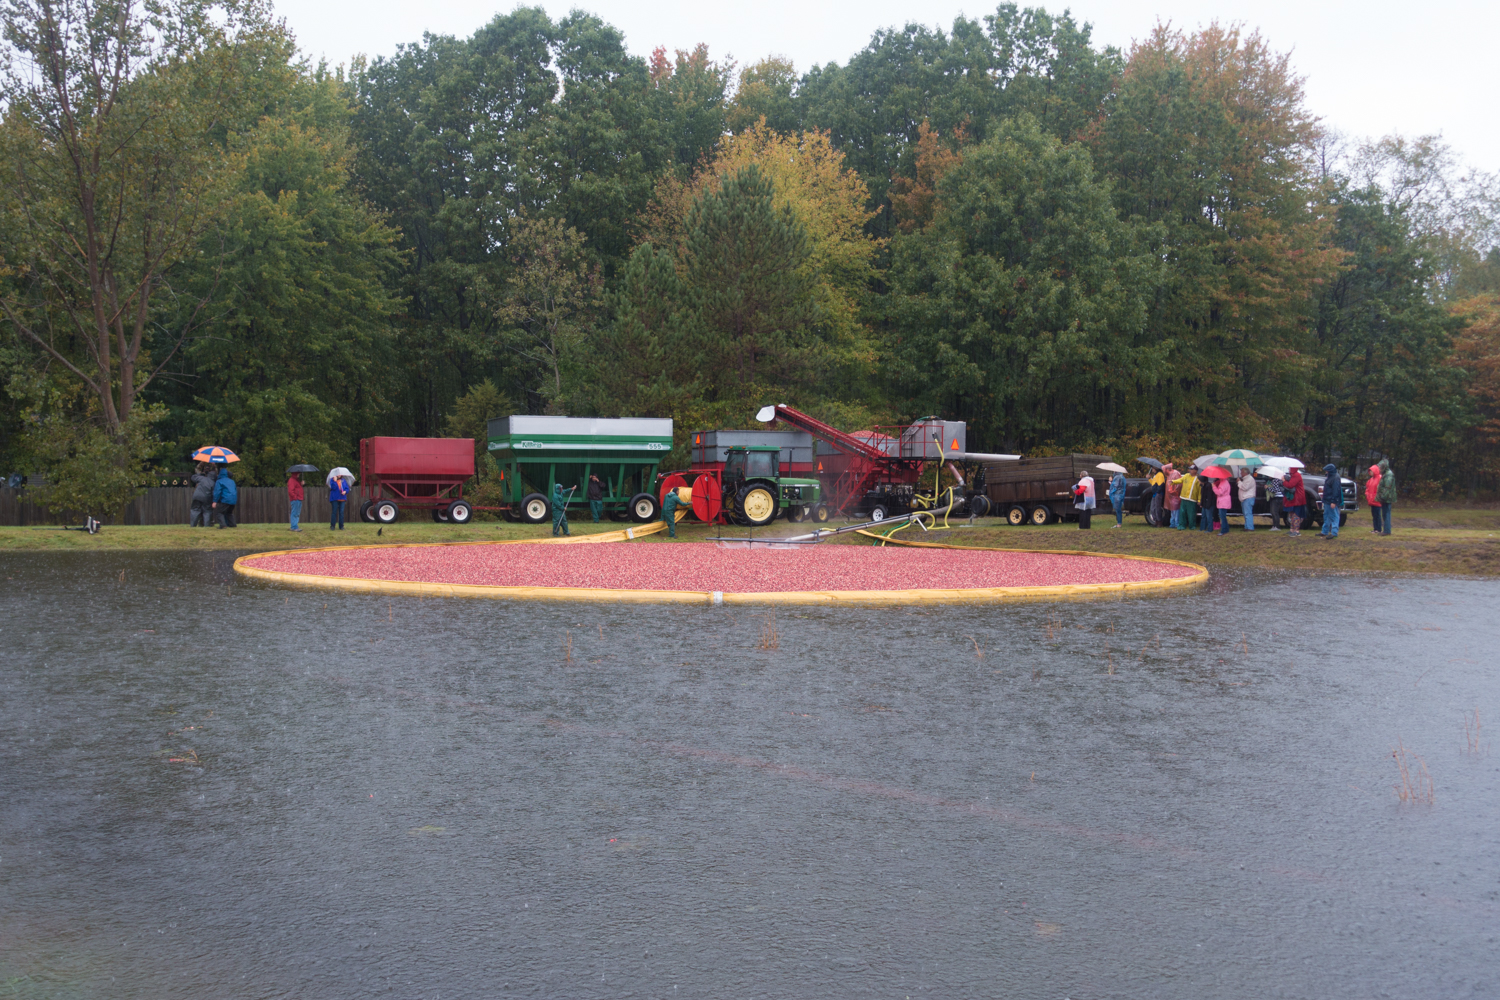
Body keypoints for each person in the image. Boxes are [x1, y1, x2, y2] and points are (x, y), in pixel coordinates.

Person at [1319, 464, 1343, 539]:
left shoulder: (1335, 478)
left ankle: (1334, 532)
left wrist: (1334, 501)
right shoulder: (1331, 477)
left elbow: (1336, 491)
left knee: (1334, 516)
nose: (1326, 472)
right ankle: (1325, 531)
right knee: (1326, 515)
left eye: (1327, 470)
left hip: (1331, 500)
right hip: (1327, 500)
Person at [189, 462, 216, 527]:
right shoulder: (213, 482)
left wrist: (202, 464)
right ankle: (207, 525)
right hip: (206, 497)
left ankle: (193, 525)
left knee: (195, 510)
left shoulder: (201, 477)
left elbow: (193, 477)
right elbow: (213, 492)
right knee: (207, 511)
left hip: (197, 495)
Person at [1175, 466, 1199, 531]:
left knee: (1191, 514)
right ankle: (1181, 525)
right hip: (1184, 498)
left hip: (1192, 499)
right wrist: (1173, 482)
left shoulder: (1197, 479)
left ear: (1195, 471)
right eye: (1190, 469)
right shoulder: (1186, 475)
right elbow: (1180, 480)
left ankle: (1192, 526)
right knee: (1182, 512)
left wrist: (1199, 499)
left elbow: (1199, 491)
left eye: (1191, 469)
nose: (1190, 470)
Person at [1284, 466, 1306, 537]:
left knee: (1295, 514)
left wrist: (1284, 481)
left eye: (1290, 468)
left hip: (1297, 498)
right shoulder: (1293, 475)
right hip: (1295, 498)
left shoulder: (1296, 475)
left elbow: (1290, 485)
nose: (1289, 469)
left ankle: (1296, 531)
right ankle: (1292, 529)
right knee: (1291, 513)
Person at [1377, 458, 1395, 535]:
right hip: (1386, 497)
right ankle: (1386, 530)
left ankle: (1387, 531)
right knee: (1384, 513)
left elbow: (1387, 487)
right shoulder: (1386, 474)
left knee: (1386, 514)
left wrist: (1382, 497)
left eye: (1380, 467)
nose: (1379, 469)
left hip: (1387, 498)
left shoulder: (1388, 475)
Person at [1365, 463, 1383, 532]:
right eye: (1370, 471)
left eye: (1371, 471)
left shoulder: (1380, 478)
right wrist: (1367, 495)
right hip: (1372, 501)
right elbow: (1367, 488)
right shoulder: (1371, 480)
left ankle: (1378, 529)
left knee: (1377, 515)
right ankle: (1375, 528)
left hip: (1377, 501)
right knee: (1374, 515)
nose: (1370, 472)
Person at [1163, 463, 1182, 529]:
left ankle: (1176, 523)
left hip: (1175, 495)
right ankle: (1172, 523)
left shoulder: (1175, 474)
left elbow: (1179, 484)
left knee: (1176, 510)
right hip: (1171, 496)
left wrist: (1174, 492)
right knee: (1172, 510)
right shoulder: (1169, 475)